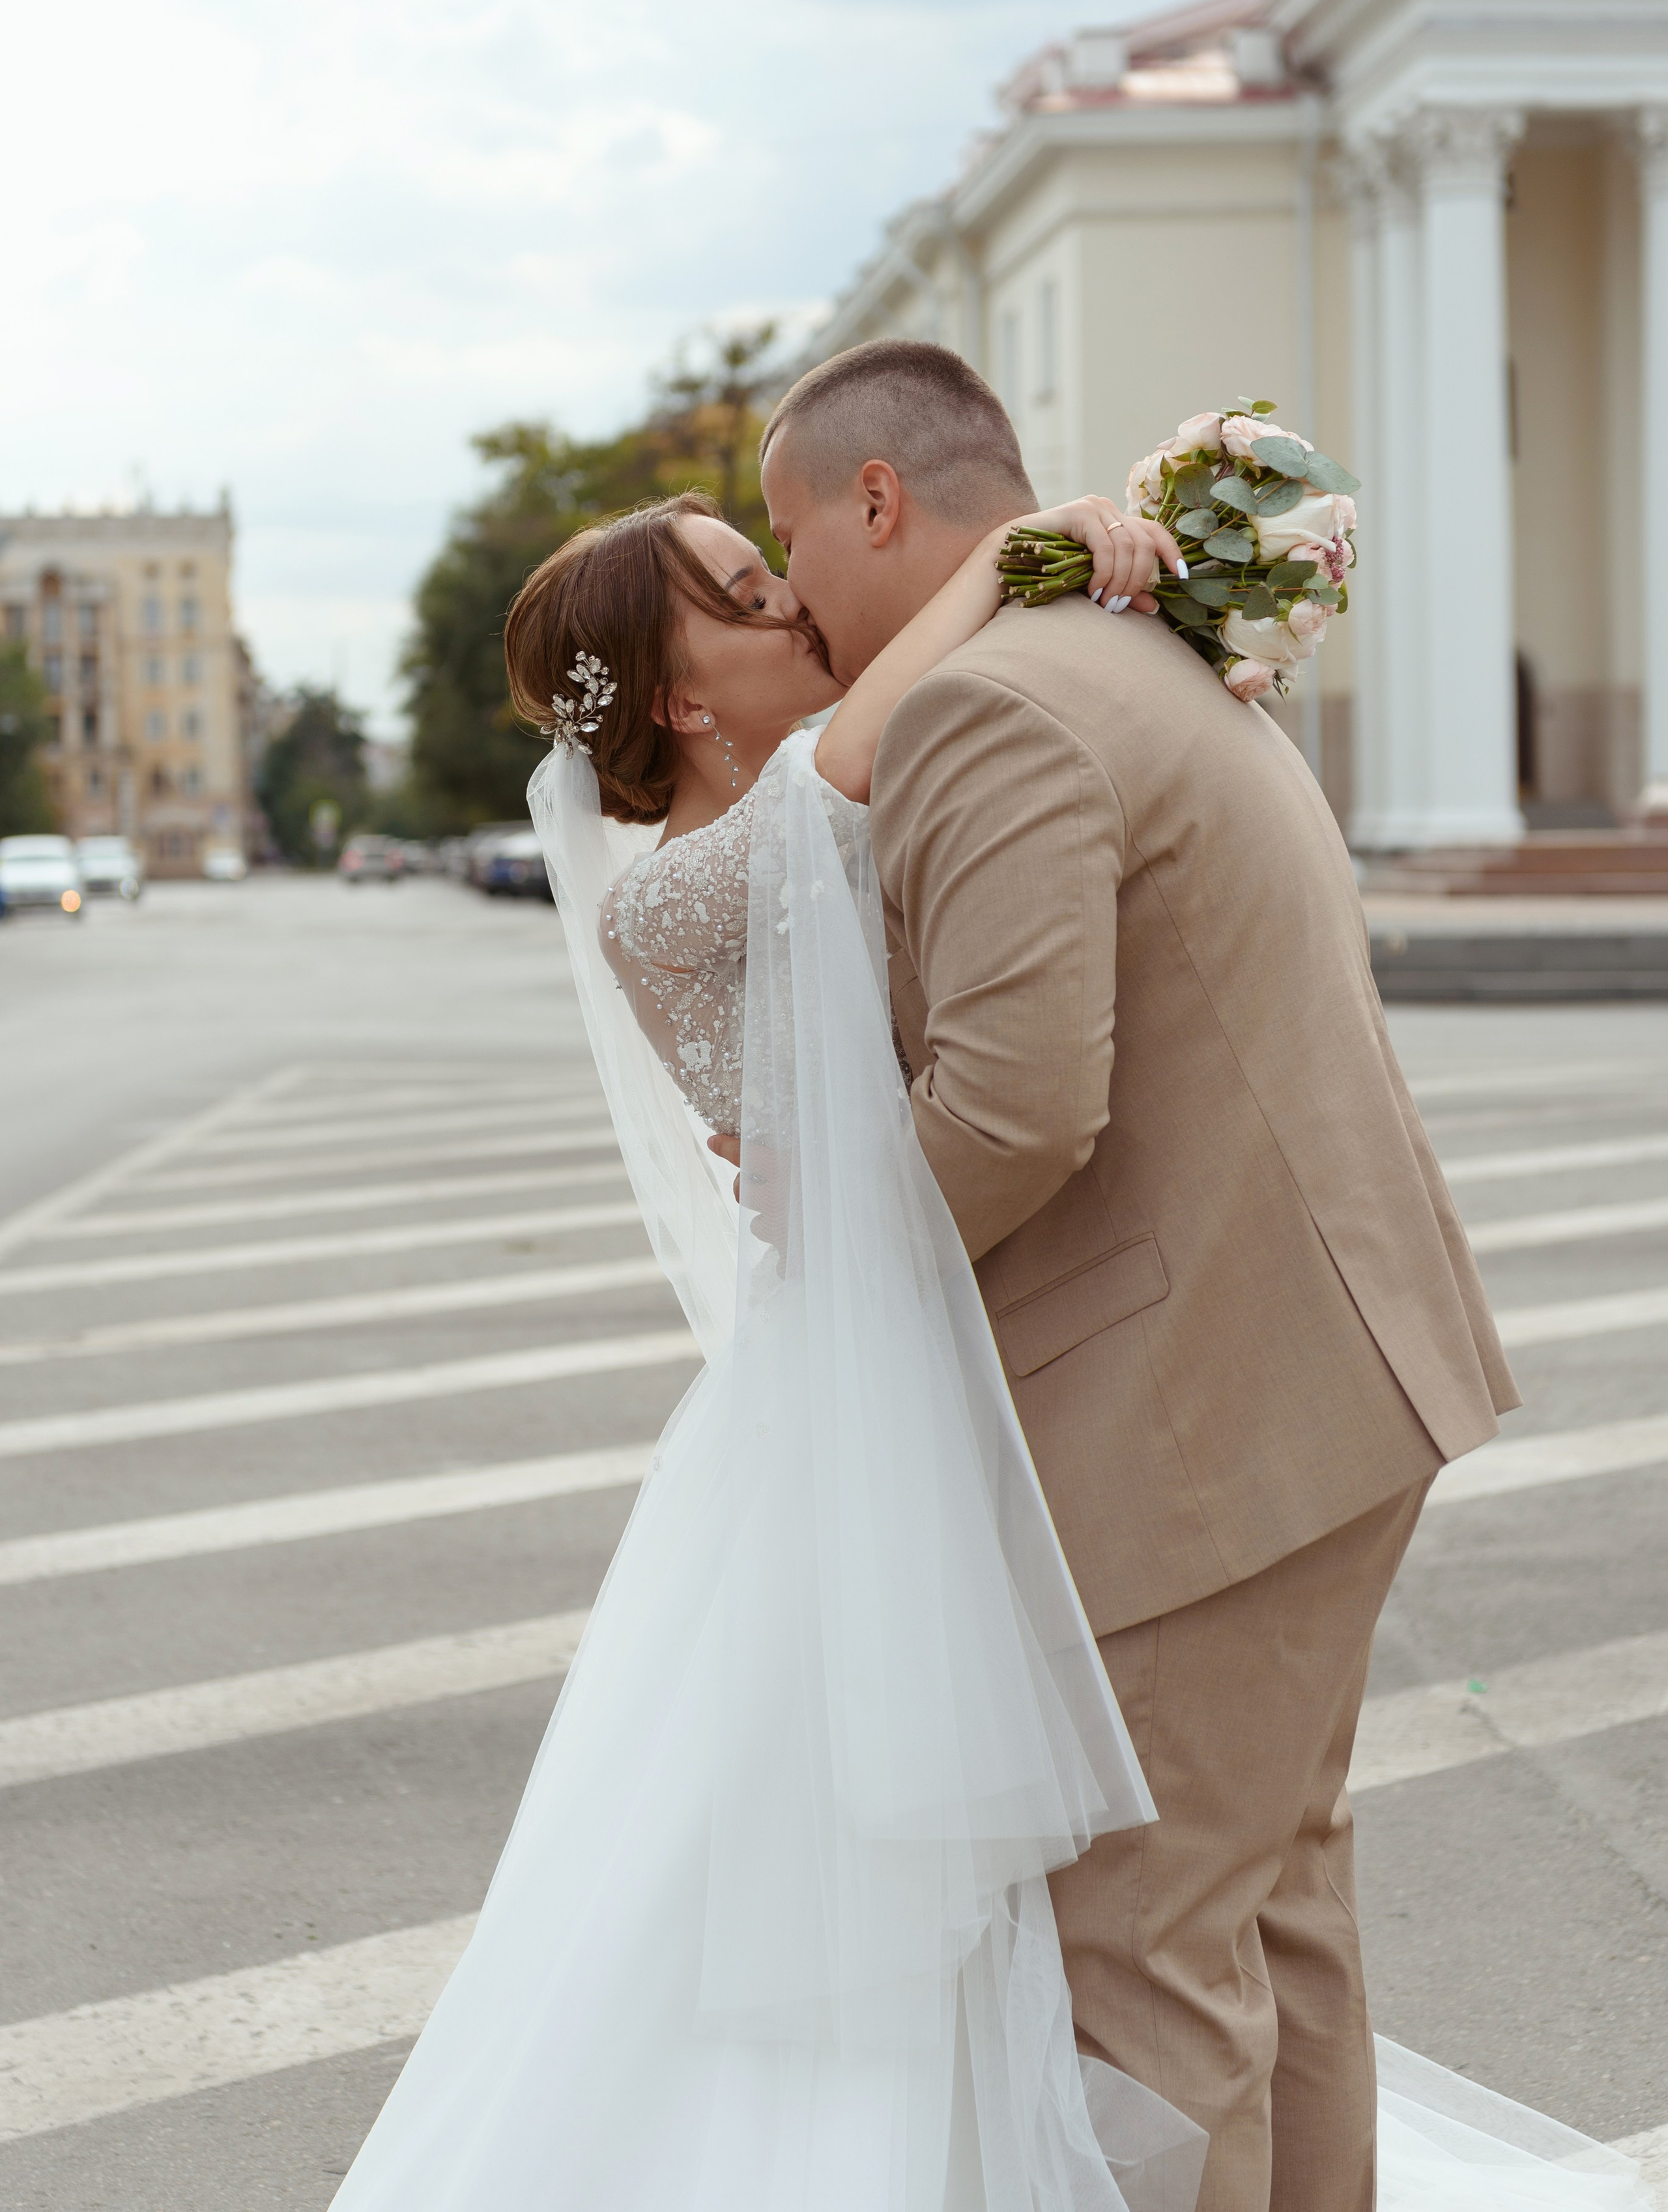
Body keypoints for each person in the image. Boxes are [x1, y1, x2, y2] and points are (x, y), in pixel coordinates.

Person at [327, 428, 1648, 2211]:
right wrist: (1035, 546)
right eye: (740, 592)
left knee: (1151, 1903)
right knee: (1110, 1907)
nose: (788, 599)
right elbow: (898, 852)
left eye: (773, 562)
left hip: (948, 1366)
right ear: (674, 694)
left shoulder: (845, 789)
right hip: (883, 1389)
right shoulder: (715, 865)